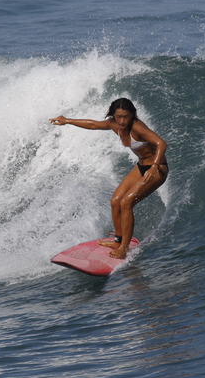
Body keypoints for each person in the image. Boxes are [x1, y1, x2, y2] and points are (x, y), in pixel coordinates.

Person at [50, 98, 168, 259]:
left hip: (157, 168)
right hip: (141, 166)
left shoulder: (137, 127)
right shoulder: (115, 125)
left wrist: (154, 166)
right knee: (115, 200)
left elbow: (161, 143)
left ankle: (124, 249)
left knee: (126, 202)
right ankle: (118, 240)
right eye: (118, 116)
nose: (121, 120)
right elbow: (93, 124)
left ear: (132, 114)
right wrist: (67, 121)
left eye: (125, 116)